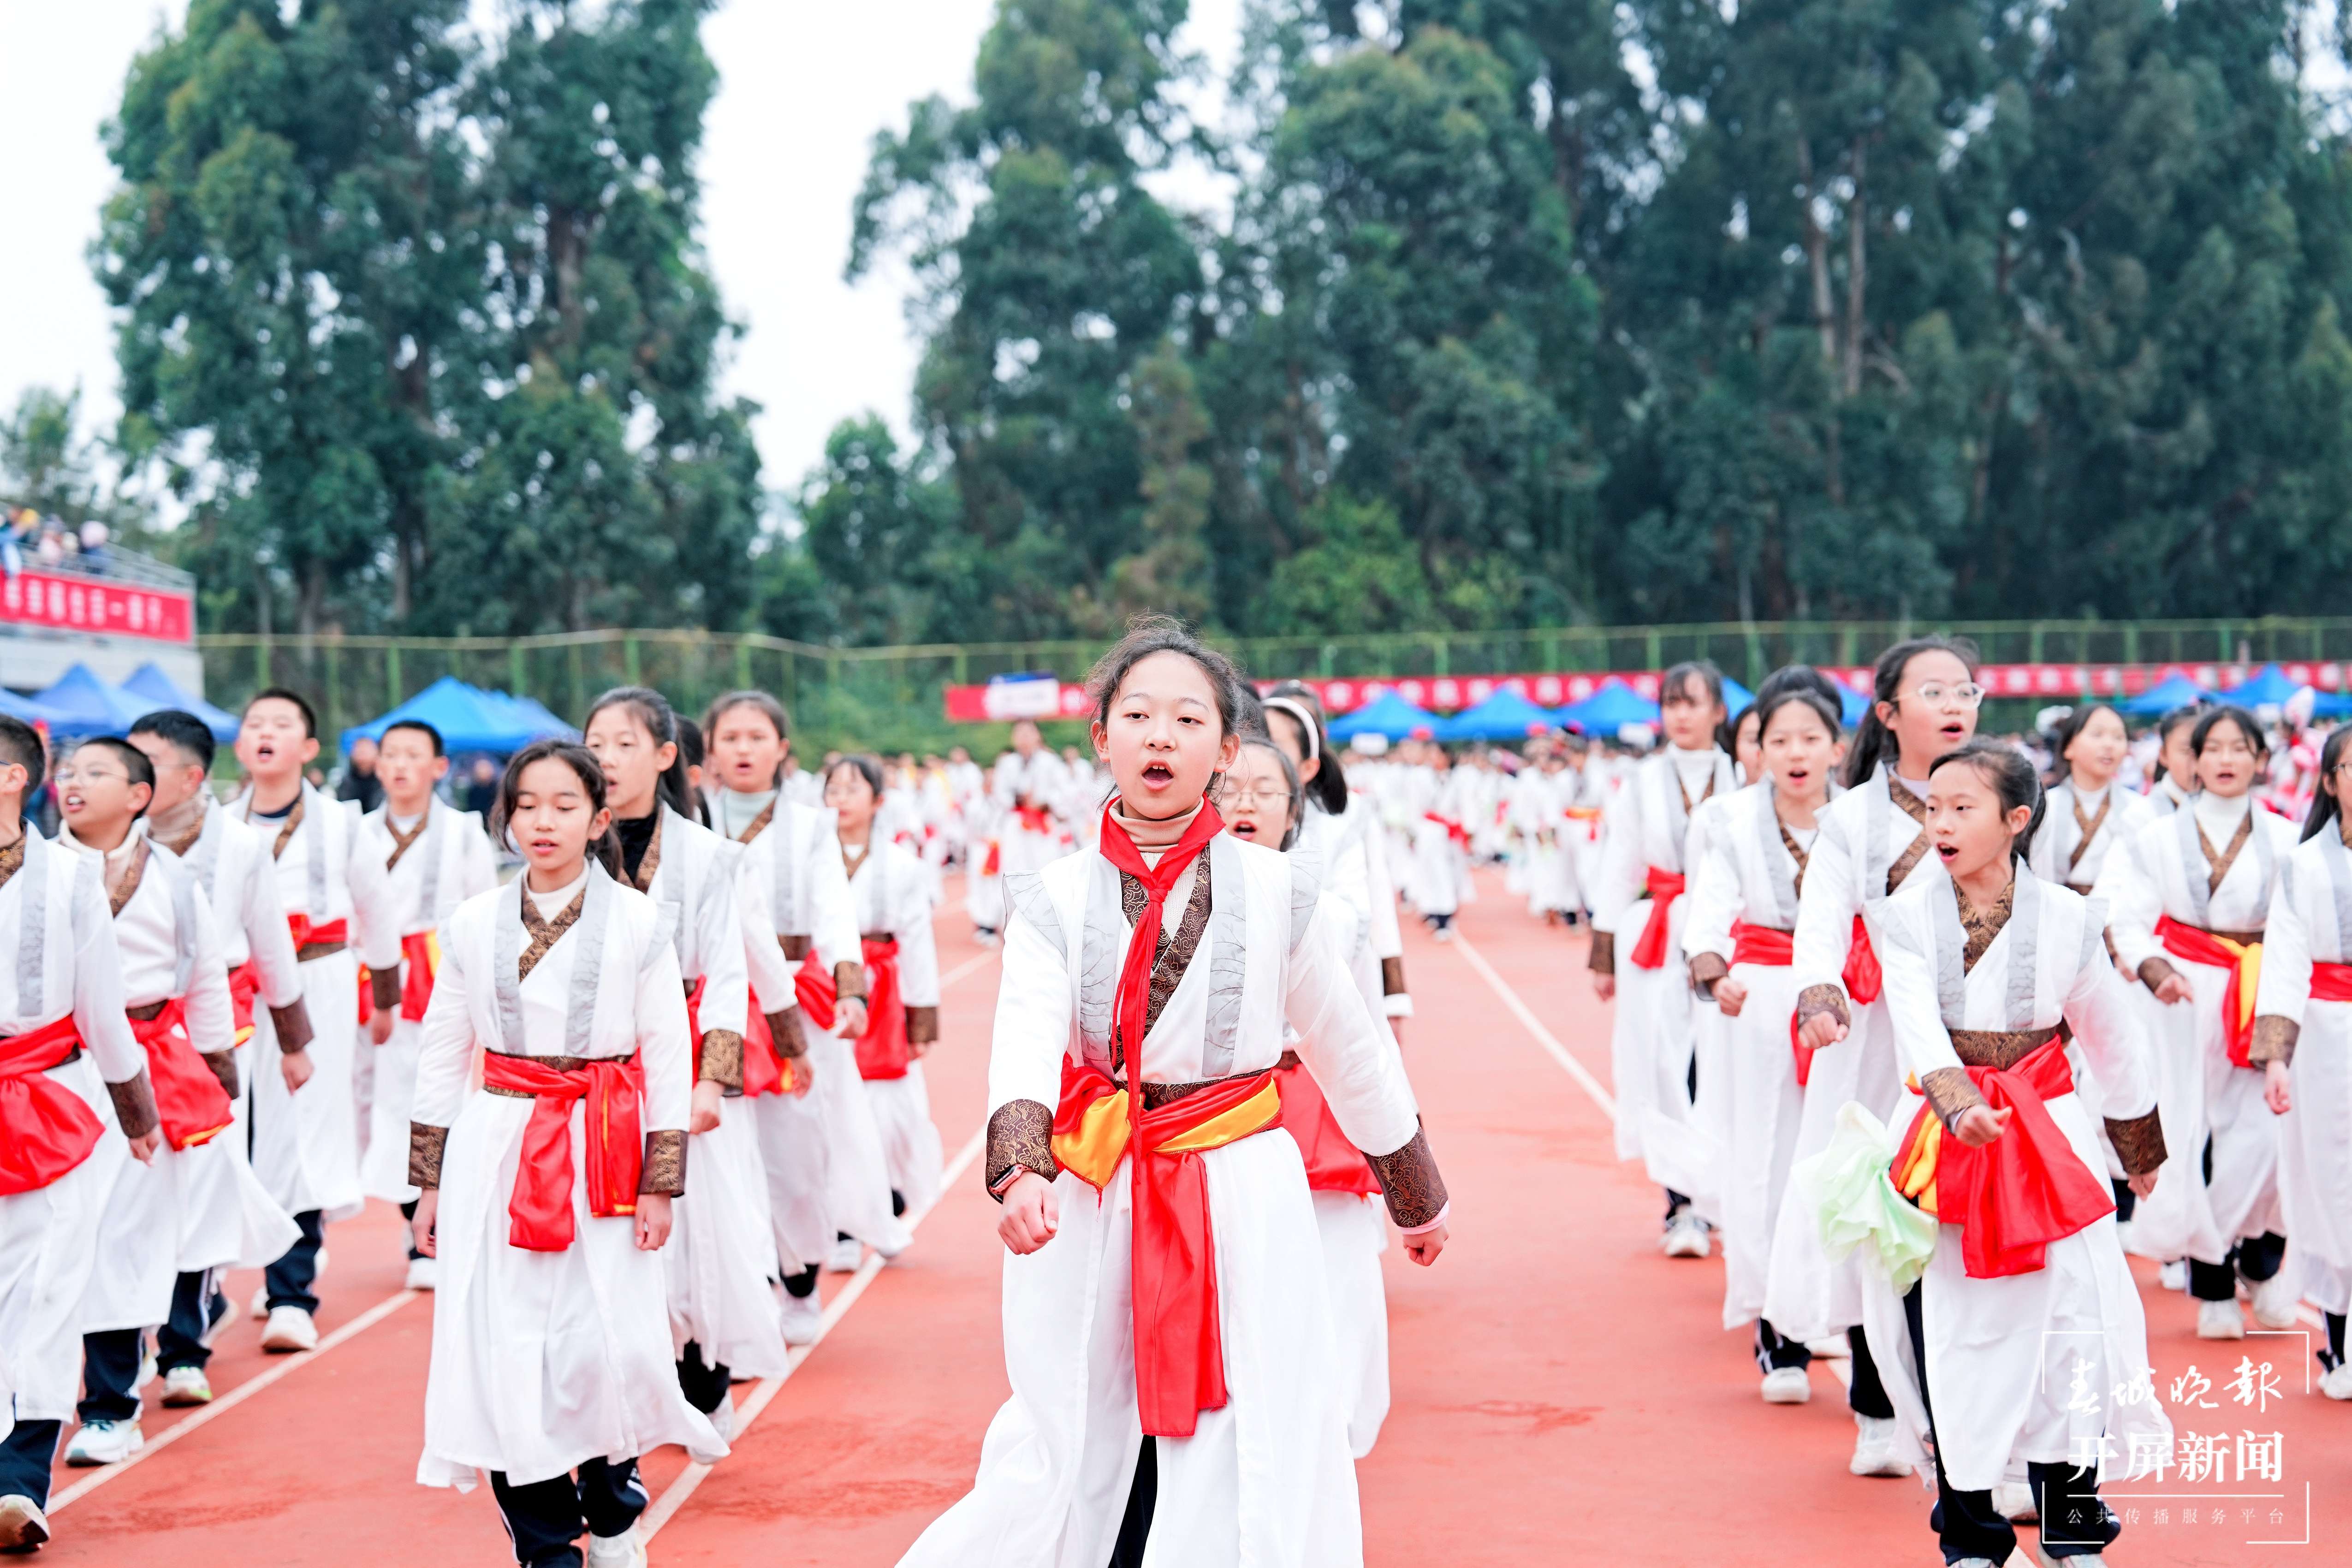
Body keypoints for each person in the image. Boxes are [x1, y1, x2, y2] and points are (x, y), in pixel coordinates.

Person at [898, 617, 1446, 1568]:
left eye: (1189, 718)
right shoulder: (1053, 894)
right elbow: (1025, 1036)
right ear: (1100, 734)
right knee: (1081, 1412)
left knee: (1249, 1416)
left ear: (1227, 751)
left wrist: (1414, 1192)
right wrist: (1020, 1169)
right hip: (1095, 1188)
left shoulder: (1282, 889)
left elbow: (1347, 1042)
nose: (1161, 735)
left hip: (1243, 1186)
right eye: (1138, 713)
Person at [1850, 739, 2168, 1566]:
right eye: (1932, 807)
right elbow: (1918, 1028)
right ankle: (1970, 1533)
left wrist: (2137, 1142)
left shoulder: (2072, 918)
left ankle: (2070, 1522)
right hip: (1939, 1138)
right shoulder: (1904, 917)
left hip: (2049, 1141)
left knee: (2074, 1326)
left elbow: (2112, 1036)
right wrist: (1959, 1106)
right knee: (1952, 1330)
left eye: (1963, 808)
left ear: (2016, 819)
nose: (1941, 823)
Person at [407, 740, 724, 1568]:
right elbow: (443, 1050)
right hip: (498, 1147)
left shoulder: (640, 921)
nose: (542, 822)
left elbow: (666, 1055)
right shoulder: (473, 924)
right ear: (506, 818)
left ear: (598, 819)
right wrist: (429, 1180)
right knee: (505, 1346)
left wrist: (662, 1183)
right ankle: (547, 1546)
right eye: (526, 806)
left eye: (563, 805)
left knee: (602, 1335)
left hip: (603, 1146)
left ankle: (610, 1500)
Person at [52, 737, 297, 1467]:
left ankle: (113, 1404)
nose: (75, 783)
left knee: (141, 1231)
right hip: (59, 1072)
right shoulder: (41, 875)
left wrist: (219, 1068)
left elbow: (207, 978)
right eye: (67, 771)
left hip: (157, 1065)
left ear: (139, 795)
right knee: (66, 1239)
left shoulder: (176, 879)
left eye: (97, 773)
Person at [1784, 636, 1983, 1479]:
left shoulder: (2007, 797)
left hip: (1975, 1039)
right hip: (1871, 1041)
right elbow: (1822, 919)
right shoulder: (1852, 819)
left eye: (1965, 690)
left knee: (1966, 1227)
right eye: (1932, 691)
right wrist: (1820, 991)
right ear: (1890, 713)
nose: (1953, 704)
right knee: (1879, 1219)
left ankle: (1968, 1420)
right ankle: (1874, 1400)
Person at [582, 688, 786, 1430]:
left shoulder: (709, 857)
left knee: (704, 1226)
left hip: (686, 1061)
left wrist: (711, 1079)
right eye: (596, 742)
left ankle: (706, 1375)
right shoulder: (571, 845)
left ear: (667, 756)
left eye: (625, 743)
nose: (606, 757)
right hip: (600, 1071)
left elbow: (729, 973)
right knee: (613, 1226)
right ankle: (631, 1380)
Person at [1219, 729, 1404, 1458]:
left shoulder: (1318, 899)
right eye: (1231, 790)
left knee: (1336, 1266)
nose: (1247, 803)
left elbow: (1353, 1033)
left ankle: (1330, 1421)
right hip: (1218, 1114)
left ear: (1295, 813)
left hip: (1311, 1103)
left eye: (1266, 792)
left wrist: (1413, 1187)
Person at [0, 716, 158, 1554]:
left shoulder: (69, 879)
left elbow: (104, 1006)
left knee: (49, 1294)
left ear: (12, 779)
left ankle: (21, 1483)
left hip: (54, 1100)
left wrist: (137, 1114)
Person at [125, 708, 314, 1405]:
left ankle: (184, 1345)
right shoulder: (100, 847)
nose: (131, 780)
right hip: (119, 1046)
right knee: (130, 1195)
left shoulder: (238, 845)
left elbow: (271, 942)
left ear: (191, 776)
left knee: (204, 1187)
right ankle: (133, 1335)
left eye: (146, 765)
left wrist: (294, 1042)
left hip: (215, 1035)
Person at [701, 690, 896, 1335]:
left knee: (796, 1144)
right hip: (715, 1001)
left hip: (793, 1000)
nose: (744, 749)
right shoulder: (694, 818)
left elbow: (833, 907)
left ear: (783, 748)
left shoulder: (811, 824)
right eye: (731, 737)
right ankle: (740, 1285)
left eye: (758, 737)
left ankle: (799, 1276)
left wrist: (848, 987)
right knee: (721, 1147)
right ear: (710, 748)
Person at [2105, 705, 2299, 1338]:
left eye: (2237, 748)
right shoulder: (2153, 837)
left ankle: (2253, 1256)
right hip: (2184, 994)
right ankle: (2215, 1280)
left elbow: (2300, 930)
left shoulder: (2285, 837)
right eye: (2210, 748)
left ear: (2261, 761)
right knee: (2185, 1131)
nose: (2223, 760)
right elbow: (2126, 918)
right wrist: (2154, 969)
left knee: (2267, 1136)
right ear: (2188, 760)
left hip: (2261, 987)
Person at [1681, 684, 1845, 1402]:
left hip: (1844, 1005)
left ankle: (1839, 1308)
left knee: (1840, 1153)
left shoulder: (1861, 818)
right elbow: (1709, 905)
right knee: (1765, 1158)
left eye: (1811, 739)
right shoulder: (1730, 820)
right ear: (1757, 750)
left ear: (1838, 747)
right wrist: (1713, 971)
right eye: (1780, 740)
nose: (1796, 753)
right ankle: (1778, 1329)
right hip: (1757, 1004)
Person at [230, 689, 403, 1352]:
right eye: (255, 724)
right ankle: (221, 1282)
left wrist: (384, 999)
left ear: (307, 749)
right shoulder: (219, 824)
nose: (265, 733)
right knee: (235, 1130)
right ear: (240, 747)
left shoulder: (343, 823)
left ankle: (291, 1292)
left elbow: (378, 910)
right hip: (240, 992)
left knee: (304, 1130)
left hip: (320, 981)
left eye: (282, 725)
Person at [1587, 660, 1736, 1257]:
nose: (1680, 714)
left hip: (1727, 938)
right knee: (1665, 1067)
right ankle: (1682, 1205)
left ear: (1719, 712)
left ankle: (1717, 1193)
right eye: (1671, 703)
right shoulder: (1642, 781)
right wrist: (1603, 957)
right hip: (1657, 933)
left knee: (1719, 1065)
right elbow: (1620, 864)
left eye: (1693, 702)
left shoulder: (1745, 774)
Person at [357, 719, 498, 1290]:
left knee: (446, 1093)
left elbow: (486, 910)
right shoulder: (360, 831)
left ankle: (446, 1221)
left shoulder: (464, 832)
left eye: (413, 754)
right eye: (391, 754)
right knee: (386, 1101)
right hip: (373, 977)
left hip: (442, 972)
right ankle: (410, 1224)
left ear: (440, 767)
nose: (399, 765)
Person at [2251, 724, 2352, 1396]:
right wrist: (2277, 1059)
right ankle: (2341, 1343)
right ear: (2330, 780)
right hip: (2324, 1041)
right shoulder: (2304, 864)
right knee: (2333, 1184)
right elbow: (2285, 966)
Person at [817, 755, 945, 1219]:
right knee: (829, 1099)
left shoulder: (902, 866)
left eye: (853, 789)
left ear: (878, 801)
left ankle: (887, 1189)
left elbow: (917, 943)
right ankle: (843, 1219)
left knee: (890, 1105)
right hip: (824, 988)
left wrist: (921, 1019)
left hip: (886, 993)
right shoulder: (814, 858)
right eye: (833, 789)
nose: (842, 799)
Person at [1262, 683, 1411, 1047]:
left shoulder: (1349, 815)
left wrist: (1392, 993)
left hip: (1333, 992)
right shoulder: (1235, 808)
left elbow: (1375, 906)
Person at [338, 735, 385, 814]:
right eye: (358, 749)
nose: (361, 753)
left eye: (366, 750)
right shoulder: (347, 782)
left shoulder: (384, 781)